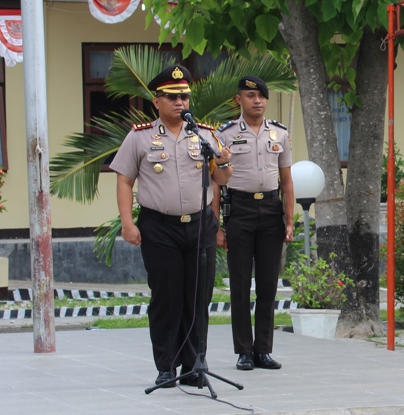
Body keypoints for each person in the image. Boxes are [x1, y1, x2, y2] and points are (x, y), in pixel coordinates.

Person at [111, 65, 232, 387]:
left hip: (199, 225)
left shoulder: (204, 134)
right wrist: (127, 223)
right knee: (166, 298)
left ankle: (194, 366)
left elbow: (220, 179)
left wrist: (224, 162)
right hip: (159, 226)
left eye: (185, 97)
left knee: (197, 296)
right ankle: (166, 367)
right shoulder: (140, 137)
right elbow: (124, 181)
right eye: (173, 97)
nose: (181, 103)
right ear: (157, 101)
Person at [215, 76, 294, 371]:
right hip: (240, 209)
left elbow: (286, 180)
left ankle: (263, 350)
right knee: (239, 284)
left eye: (261, 95)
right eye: (250, 95)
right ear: (239, 100)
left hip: (271, 210)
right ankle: (244, 351)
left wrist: (289, 219)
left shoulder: (279, 134)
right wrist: (216, 226)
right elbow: (216, 185)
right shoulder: (225, 134)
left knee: (267, 285)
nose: (257, 100)